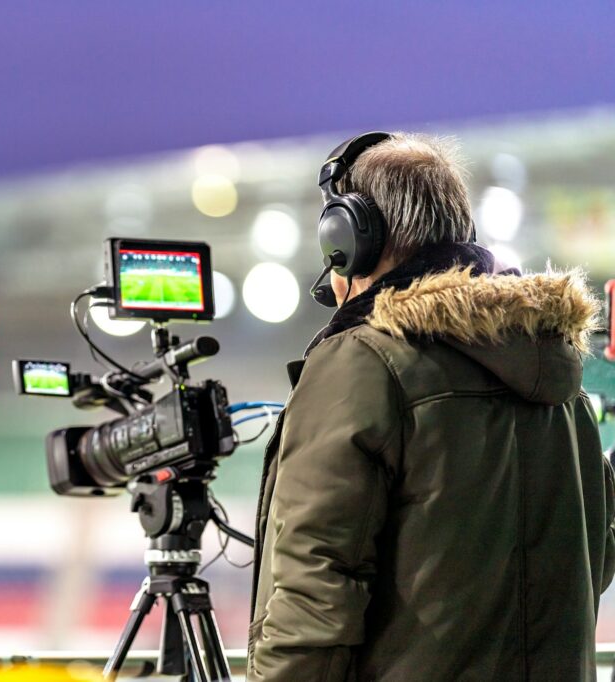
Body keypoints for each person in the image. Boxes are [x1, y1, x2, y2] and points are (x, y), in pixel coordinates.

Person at [247, 132, 615, 681]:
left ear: (351, 237)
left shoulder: (363, 364)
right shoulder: (558, 367)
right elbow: (594, 556)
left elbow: (313, 601)